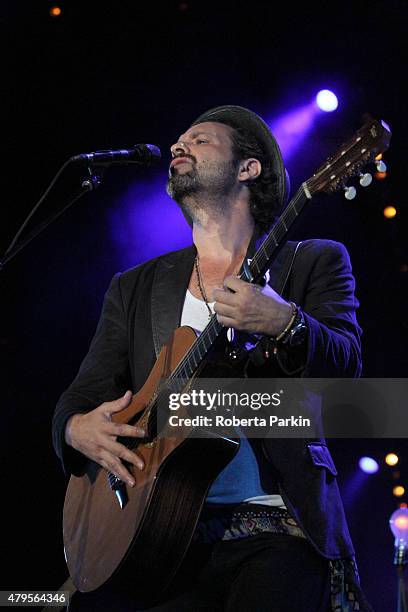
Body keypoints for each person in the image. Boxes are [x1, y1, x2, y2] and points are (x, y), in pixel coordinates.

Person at [53, 105, 372, 611]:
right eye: (178, 140)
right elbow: (84, 394)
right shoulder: (135, 287)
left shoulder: (314, 260)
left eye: (199, 140)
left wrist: (286, 323)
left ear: (249, 168)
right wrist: (74, 428)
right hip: (163, 539)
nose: (179, 146)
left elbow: (348, 369)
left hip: (278, 528)